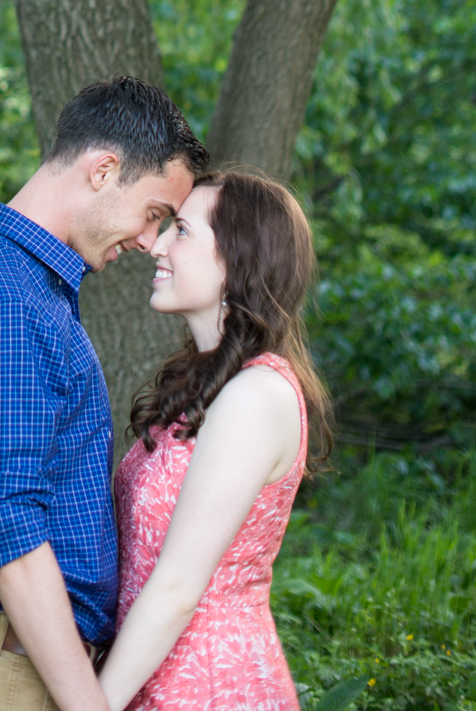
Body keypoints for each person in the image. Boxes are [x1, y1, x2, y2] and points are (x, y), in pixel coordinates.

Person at [0, 77, 209, 711]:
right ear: (103, 170)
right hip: (7, 672)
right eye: (154, 214)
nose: (150, 242)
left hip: (21, 663)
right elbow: (7, 521)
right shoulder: (10, 301)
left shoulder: (27, 289)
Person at [97, 169, 333, 711]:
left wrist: (89, 704)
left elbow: (178, 589)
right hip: (151, 679)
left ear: (237, 259)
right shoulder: (208, 388)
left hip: (208, 688)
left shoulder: (256, 396)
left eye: (181, 230)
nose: (157, 244)